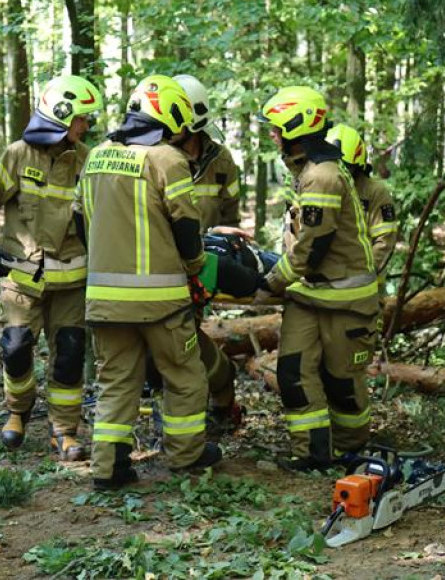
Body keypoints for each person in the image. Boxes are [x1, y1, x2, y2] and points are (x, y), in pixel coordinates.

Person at [74, 74, 222, 490]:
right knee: (183, 375)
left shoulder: (96, 156)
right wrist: (195, 266)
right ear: (171, 118)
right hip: (162, 302)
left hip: (103, 300)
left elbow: (79, 219)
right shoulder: (166, 159)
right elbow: (187, 227)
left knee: (116, 382)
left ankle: (108, 468)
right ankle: (186, 454)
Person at [0, 75, 102, 461]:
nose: (85, 126)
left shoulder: (88, 161)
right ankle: (17, 411)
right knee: (16, 349)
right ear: (60, 116)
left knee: (71, 353)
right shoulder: (17, 155)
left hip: (72, 281)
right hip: (22, 278)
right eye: (80, 118)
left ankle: (64, 430)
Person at [256, 86, 380, 472]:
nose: (272, 135)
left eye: (276, 128)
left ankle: (349, 451)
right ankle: (311, 452)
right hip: (308, 296)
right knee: (292, 373)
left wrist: (270, 283)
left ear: (297, 126)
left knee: (342, 384)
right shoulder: (308, 172)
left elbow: (312, 248)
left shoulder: (323, 176)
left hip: (345, 300)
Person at [168, 74, 246, 435]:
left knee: (185, 342)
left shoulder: (221, 161)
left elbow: (231, 217)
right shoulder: (158, 157)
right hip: (161, 270)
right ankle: (214, 394)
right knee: (175, 345)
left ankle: (211, 405)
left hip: (202, 269)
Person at [327, 124, 398, 295]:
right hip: (325, 287)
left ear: (357, 166)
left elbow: (385, 241)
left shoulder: (375, 193)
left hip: (368, 289)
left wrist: (359, 276)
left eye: (345, 168)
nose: (340, 174)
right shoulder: (320, 190)